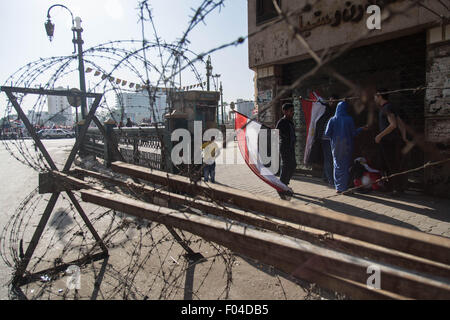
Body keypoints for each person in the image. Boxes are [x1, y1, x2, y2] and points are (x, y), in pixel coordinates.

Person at [324, 101, 366, 193]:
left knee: (336, 165)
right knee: (345, 166)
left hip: (335, 146)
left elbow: (327, 133)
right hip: (347, 146)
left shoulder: (332, 119)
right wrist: (361, 129)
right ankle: (343, 188)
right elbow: (353, 133)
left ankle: (338, 187)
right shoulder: (349, 119)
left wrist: (334, 136)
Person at [374, 89, 405, 195]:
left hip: (388, 141)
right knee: (385, 164)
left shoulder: (387, 108)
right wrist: (404, 137)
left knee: (391, 165)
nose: (374, 98)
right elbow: (400, 122)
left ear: (379, 96)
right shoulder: (387, 107)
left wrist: (380, 135)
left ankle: (397, 189)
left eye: (375, 96)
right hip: (387, 141)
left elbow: (393, 125)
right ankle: (390, 186)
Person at [309, 94, 339, 187]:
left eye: (333, 101)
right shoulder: (326, 110)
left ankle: (325, 177)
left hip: (328, 138)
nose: (331, 102)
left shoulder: (334, 111)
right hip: (325, 139)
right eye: (330, 100)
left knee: (328, 159)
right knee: (328, 159)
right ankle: (330, 180)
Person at [276, 103, 296, 199]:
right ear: (285, 111)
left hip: (291, 147)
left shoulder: (290, 121)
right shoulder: (281, 122)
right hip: (284, 147)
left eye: (293, 111)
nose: (293, 112)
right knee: (286, 166)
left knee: (293, 165)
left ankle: (285, 184)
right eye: (291, 111)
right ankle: (281, 187)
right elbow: (277, 133)